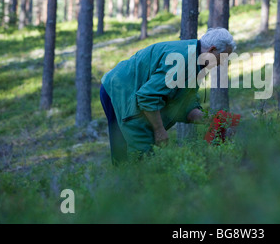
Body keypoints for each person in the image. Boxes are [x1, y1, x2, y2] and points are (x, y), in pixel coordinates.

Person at [100, 27, 236, 165]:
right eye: (224, 57)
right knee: (140, 152)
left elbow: (185, 104)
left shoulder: (197, 62)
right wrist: (159, 130)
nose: (223, 62)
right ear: (212, 50)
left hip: (132, 91)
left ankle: (125, 181)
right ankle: (125, 182)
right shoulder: (182, 60)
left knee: (138, 152)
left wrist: (209, 120)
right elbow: (147, 97)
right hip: (120, 89)